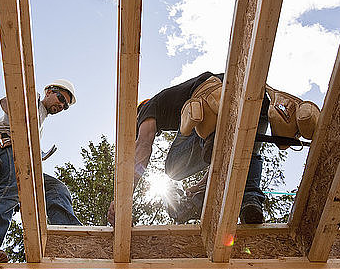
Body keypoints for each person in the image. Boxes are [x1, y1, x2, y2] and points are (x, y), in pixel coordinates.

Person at [107, 71, 269, 226]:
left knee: (173, 168)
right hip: (258, 102)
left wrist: (122, 198)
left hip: (215, 102)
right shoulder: (172, 103)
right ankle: (250, 200)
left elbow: (143, 144)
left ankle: (214, 138)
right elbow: (216, 158)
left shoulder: (147, 107)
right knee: (247, 152)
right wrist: (201, 186)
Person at [0, 79, 81, 263]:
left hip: (21, 157)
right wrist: (23, 123)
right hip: (2, 146)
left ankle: (71, 239)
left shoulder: (40, 120)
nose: (61, 105)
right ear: (49, 91)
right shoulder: (35, 99)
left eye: (65, 106)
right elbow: (6, 102)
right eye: (60, 98)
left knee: (56, 188)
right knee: (17, 183)